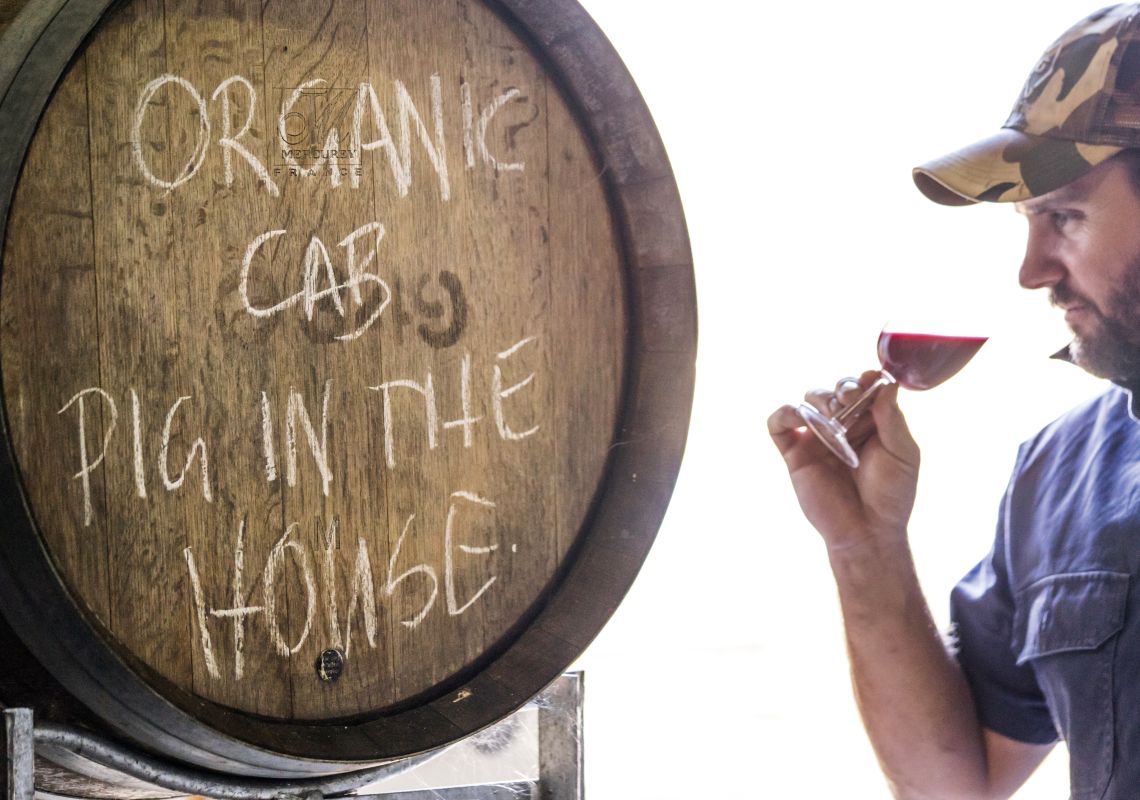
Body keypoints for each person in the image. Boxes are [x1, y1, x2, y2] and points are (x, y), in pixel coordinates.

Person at [769, 5, 1140, 799]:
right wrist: (864, 546)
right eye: (1029, 222)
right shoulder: (1060, 474)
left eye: (1065, 216)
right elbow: (955, 786)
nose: (1032, 272)